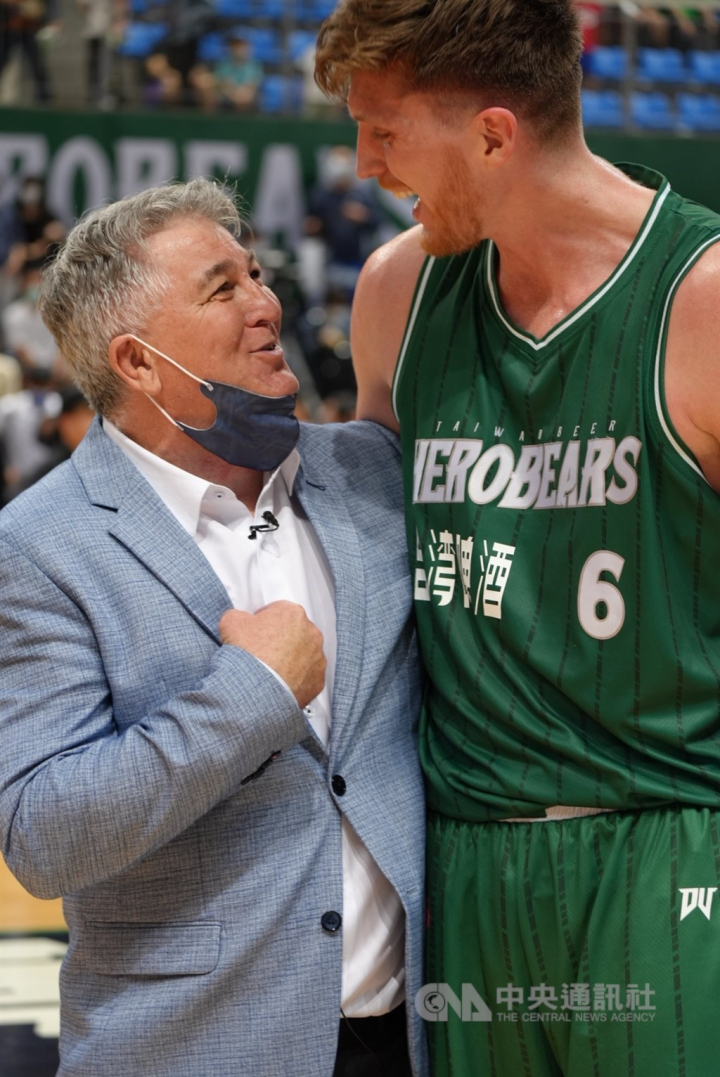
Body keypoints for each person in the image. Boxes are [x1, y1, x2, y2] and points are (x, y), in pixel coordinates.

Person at [314, 2, 720, 1075]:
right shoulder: (397, 291)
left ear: (493, 133)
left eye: (385, 131)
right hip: (465, 851)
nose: (364, 165)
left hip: (670, 839)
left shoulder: (704, 301)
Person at [0, 178, 428, 1077]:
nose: (266, 304)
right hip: (198, 1047)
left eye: (257, 274)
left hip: (417, 1037)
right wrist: (252, 694)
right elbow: (44, 835)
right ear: (140, 362)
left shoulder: (372, 470)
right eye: (221, 288)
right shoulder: (39, 547)